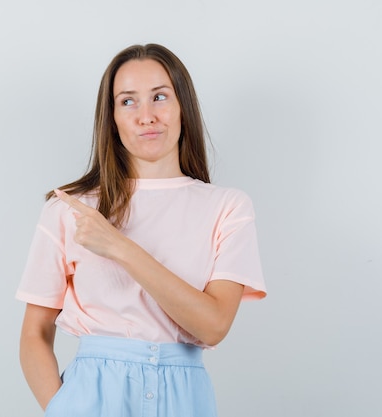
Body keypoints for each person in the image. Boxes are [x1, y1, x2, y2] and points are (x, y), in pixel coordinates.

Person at [16, 43, 266, 417]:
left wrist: (119, 247)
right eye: (128, 101)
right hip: (91, 398)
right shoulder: (71, 208)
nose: (146, 116)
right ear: (112, 117)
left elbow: (213, 326)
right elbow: (34, 332)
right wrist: (62, 409)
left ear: (183, 107)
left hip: (186, 399)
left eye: (160, 97)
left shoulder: (227, 207)